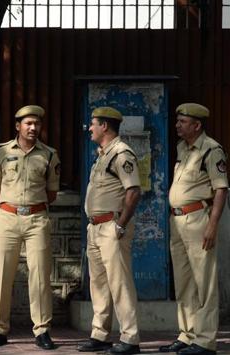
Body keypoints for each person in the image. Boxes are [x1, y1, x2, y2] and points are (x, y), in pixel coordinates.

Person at [0, 105, 61, 350]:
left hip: (37, 220)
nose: (33, 128)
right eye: (28, 123)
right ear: (18, 126)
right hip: (7, 218)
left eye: (37, 124)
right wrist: (10, 207)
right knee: (3, 274)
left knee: (40, 276)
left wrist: (30, 208)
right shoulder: (1, 152)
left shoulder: (49, 155)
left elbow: (52, 192)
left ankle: (42, 330)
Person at [159, 103, 228, 355]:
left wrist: (212, 225)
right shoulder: (182, 148)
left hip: (199, 219)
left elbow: (220, 189)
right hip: (177, 221)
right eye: (177, 121)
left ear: (197, 125)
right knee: (184, 281)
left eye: (183, 122)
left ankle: (205, 340)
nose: (177, 125)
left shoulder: (211, 150)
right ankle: (187, 334)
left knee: (204, 282)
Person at [77, 107, 141, 355]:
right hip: (95, 227)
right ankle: (100, 334)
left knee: (120, 283)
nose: (89, 128)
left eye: (93, 124)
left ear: (105, 126)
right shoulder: (102, 155)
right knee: (99, 284)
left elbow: (134, 191)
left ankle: (130, 338)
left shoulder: (121, 154)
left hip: (112, 227)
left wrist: (121, 225)